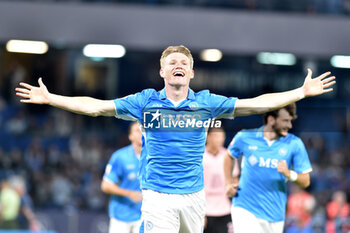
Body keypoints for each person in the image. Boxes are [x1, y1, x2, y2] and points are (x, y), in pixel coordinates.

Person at [15, 45, 335, 233]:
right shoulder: (145, 102)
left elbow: (255, 103)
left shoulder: (206, 103)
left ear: (192, 74)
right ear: (163, 73)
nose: (179, 66)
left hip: (193, 198)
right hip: (157, 196)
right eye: (172, 63)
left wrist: (300, 92)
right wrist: (53, 98)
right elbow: (97, 108)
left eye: (185, 63)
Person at [224, 103, 313, 233]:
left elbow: (306, 181)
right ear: (271, 120)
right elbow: (229, 156)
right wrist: (228, 183)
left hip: (274, 213)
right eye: (285, 121)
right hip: (245, 207)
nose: (290, 125)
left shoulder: (295, 143)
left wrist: (289, 174)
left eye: (290, 121)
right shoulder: (244, 137)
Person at [101, 122, 143, 233]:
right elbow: (105, 185)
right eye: (137, 131)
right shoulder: (120, 157)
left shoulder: (152, 156)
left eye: (143, 130)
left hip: (145, 216)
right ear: (130, 136)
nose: (141, 134)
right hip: (121, 216)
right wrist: (129, 194)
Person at [203, 127, 238, 233]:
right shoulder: (199, 157)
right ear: (207, 137)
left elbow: (235, 180)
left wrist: (234, 188)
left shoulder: (228, 156)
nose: (219, 139)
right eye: (216, 136)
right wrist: (200, 213)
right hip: (205, 211)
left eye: (222, 136)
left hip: (225, 210)